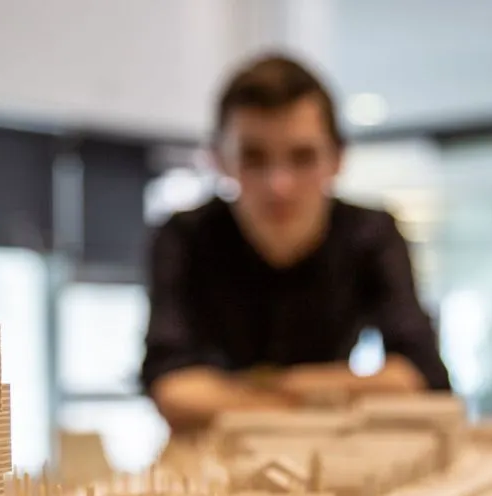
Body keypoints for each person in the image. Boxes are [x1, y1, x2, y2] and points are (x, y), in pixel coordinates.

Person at [140, 53, 452, 433]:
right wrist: (327, 396)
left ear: (337, 159)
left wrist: (250, 390)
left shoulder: (371, 233)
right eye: (254, 158)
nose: (280, 186)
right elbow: (171, 387)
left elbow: (419, 374)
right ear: (219, 160)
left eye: (302, 157)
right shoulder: (182, 237)